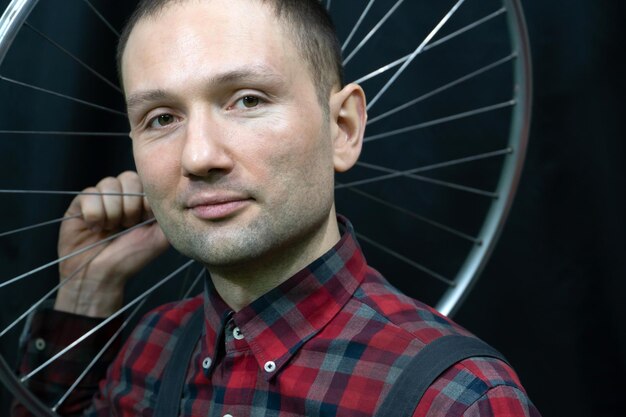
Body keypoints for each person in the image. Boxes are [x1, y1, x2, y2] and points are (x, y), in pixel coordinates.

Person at [13, 0, 541, 416]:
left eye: (247, 100)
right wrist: (86, 293)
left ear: (343, 128)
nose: (198, 157)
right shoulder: (148, 348)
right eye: (161, 118)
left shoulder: (455, 400)